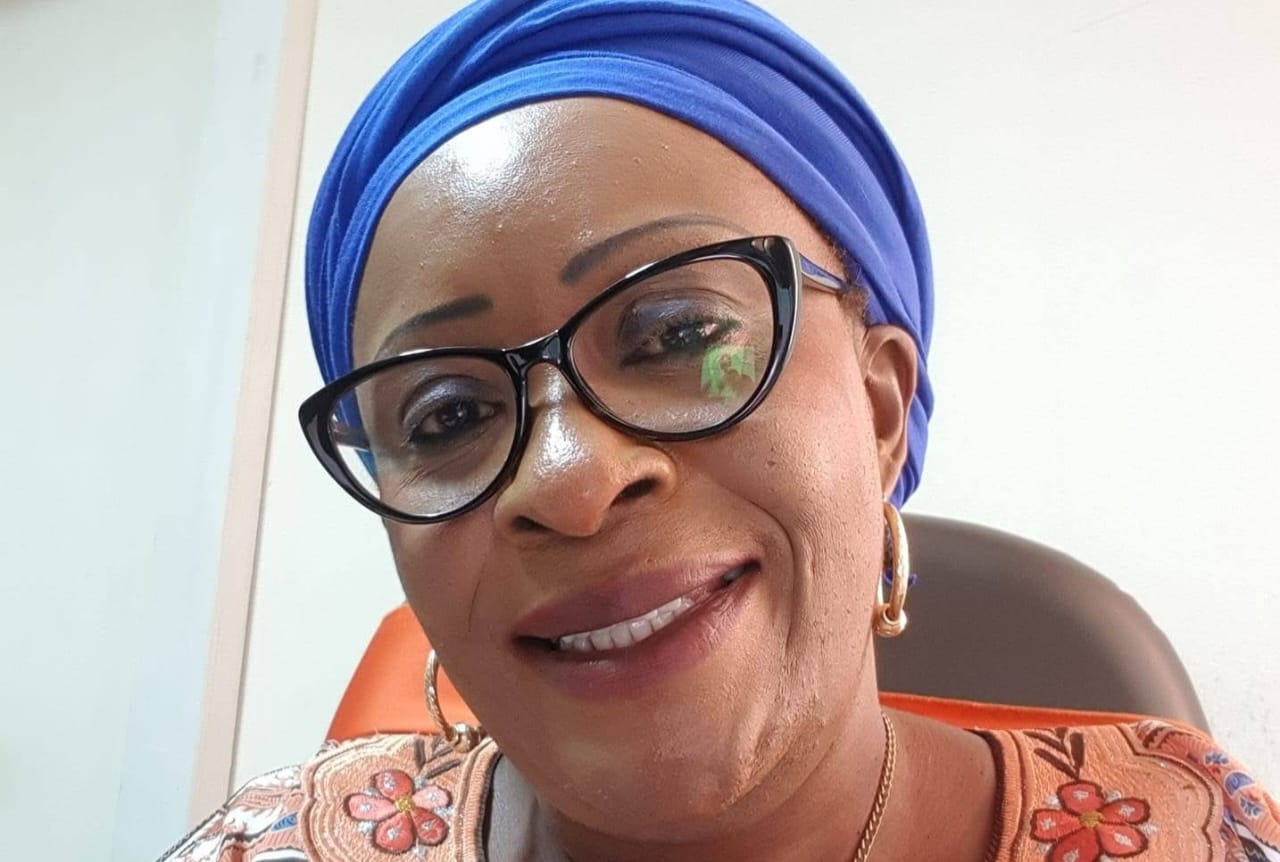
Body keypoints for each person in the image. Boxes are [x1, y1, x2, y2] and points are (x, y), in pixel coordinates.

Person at [161, 1, 1278, 860]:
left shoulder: (1194, 837)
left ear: (881, 408)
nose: (567, 481)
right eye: (449, 415)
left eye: (676, 334)